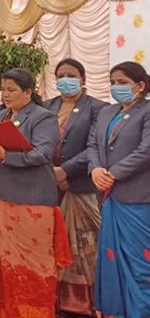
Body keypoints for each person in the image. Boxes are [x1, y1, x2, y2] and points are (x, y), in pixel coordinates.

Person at [0, 68, 71, 317]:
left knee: (31, 264)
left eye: (11, 90)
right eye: (3, 89)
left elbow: (42, 154)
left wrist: (5, 155)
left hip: (30, 201)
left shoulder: (42, 117)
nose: (5, 94)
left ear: (28, 92)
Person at [86, 61, 150, 318]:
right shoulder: (106, 112)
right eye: (112, 82)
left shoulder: (147, 111)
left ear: (140, 85)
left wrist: (113, 173)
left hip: (138, 198)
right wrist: (95, 169)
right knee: (112, 261)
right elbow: (92, 144)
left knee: (140, 262)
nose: (115, 87)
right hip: (109, 197)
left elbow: (146, 150)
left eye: (122, 82)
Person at [43, 58, 106, 316]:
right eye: (60, 75)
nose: (64, 80)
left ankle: (80, 302)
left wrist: (65, 171)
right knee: (50, 243)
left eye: (70, 75)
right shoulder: (47, 107)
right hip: (47, 187)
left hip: (79, 186)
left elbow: (95, 148)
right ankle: (53, 299)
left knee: (82, 246)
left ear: (82, 79)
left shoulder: (98, 108)